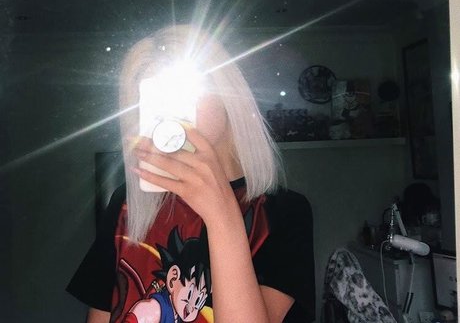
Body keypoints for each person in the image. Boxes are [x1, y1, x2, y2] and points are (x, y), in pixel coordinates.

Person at [67, 25, 315, 323]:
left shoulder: (281, 211)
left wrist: (222, 216)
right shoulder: (126, 206)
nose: (171, 110)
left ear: (228, 95)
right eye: (155, 97)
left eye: (184, 90)